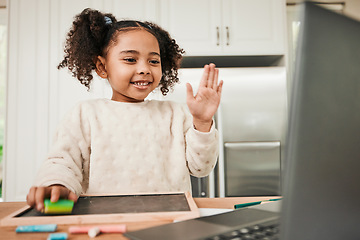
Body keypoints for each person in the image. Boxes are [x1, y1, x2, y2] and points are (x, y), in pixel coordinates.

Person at [26, 8, 223, 212]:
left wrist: (201, 121)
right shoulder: (86, 114)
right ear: (102, 67)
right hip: (103, 220)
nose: (145, 68)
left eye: (153, 61)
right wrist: (56, 184)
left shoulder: (176, 113)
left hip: (170, 219)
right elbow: (62, 161)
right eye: (130, 59)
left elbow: (201, 168)